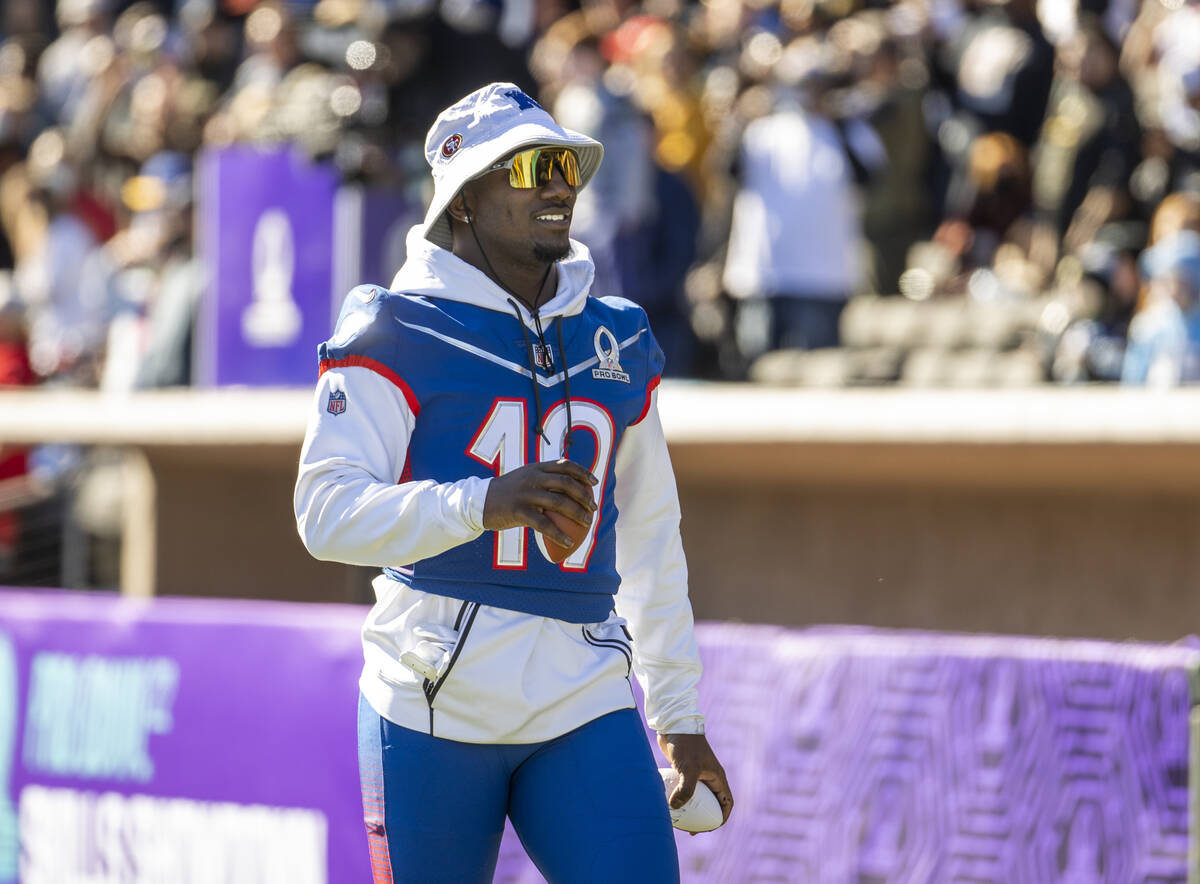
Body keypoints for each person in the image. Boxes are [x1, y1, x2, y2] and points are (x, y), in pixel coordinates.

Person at [294, 82, 732, 883]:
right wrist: (481, 503)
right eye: (531, 168)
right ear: (464, 199)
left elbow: (649, 529)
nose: (561, 182)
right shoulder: (394, 327)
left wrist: (677, 711)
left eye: (566, 163)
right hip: (429, 702)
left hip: (583, 693)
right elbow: (325, 514)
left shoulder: (616, 337)